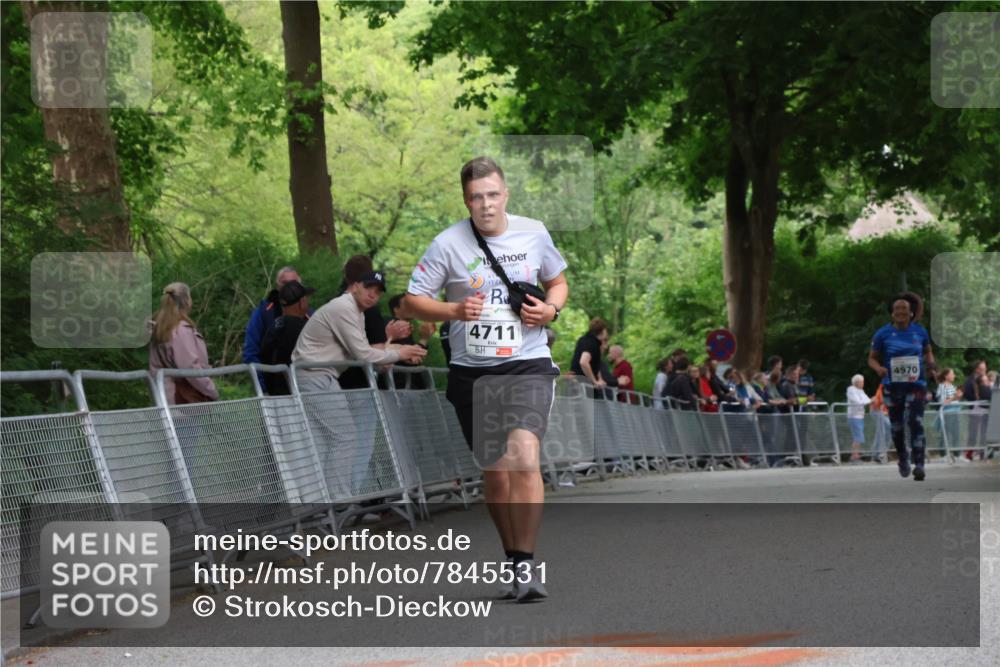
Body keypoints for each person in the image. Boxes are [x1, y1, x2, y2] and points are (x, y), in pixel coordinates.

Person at [401, 156, 568, 603]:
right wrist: (453, 310)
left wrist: (551, 310)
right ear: (466, 200)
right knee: (495, 472)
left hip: (528, 362)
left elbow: (558, 282)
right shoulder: (447, 244)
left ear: (506, 194)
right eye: (477, 197)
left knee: (524, 456)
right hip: (473, 371)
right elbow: (412, 302)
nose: (486, 205)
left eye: (493, 195)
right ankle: (512, 558)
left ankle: (527, 566)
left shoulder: (533, 232)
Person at [292, 270, 427, 496]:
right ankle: (337, 499)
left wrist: (397, 349)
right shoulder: (344, 308)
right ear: (354, 286)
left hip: (321, 375)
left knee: (337, 439)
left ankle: (331, 500)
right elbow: (364, 355)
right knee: (344, 437)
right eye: (368, 288)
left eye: (377, 292)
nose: (373, 295)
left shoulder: (355, 312)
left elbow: (364, 353)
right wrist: (398, 353)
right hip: (314, 375)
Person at [868, 291, 935, 481]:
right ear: (892, 313)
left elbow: (928, 353)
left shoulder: (920, 331)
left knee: (916, 421)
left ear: (911, 312)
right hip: (892, 385)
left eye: (904, 308)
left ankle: (920, 463)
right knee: (897, 427)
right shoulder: (882, 333)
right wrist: (879, 368)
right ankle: (903, 457)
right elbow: (871, 359)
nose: (900, 311)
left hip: (917, 384)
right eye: (897, 308)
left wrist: (931, 366)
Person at [338, 256, 413, 390]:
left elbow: (361, 347)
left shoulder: (335, 303)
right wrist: (400, 351)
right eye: (371, 288)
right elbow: (377, 359)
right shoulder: (367, 311)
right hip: (358, 385)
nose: (373, 296)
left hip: (335, 381)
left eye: (378, 292)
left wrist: (390, 341)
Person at [149, 282, 219, 405]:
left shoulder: (160, 329)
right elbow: (190, 368)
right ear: (187, 301)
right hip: (185, 402)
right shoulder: (181, 330)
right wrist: (211, 390)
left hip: (166, 399)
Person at [243, 266, 310, 366]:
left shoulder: (310, 314)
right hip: (271, 374)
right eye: (285, 283)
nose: (289, 288)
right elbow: (251, 352)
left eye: (294, 284)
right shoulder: (263, 313)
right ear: (277, 286)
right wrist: (261, 380)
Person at [258, 280, 315, 395]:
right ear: (302, 302)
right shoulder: (304, 329)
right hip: (296, 396)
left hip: (274, 394)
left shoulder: (273, 327)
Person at [387, 293, 435, 390]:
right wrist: (424, 338)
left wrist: (424, 338)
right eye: (406, 304)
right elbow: (412, 357)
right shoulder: (394, 326)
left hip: (408, 384)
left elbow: (415, 355)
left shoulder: (407, 328)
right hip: (400, 386)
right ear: (396, 309)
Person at [570, 318, 610, 396]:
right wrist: (594, 381)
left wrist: (600, 379)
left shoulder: (584, 340)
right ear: (602, 331)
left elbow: (595, 364)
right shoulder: (592, 343)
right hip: (583, 386)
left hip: (578, 383)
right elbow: (583, 362)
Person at [962, 360, 989, 460]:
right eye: (983, 368)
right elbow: (967, 394)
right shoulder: (970, 380)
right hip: (975, 410)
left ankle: (983, 453)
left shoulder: (986, 378)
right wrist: (977, 400)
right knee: (973, 433)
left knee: (984, 432)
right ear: (977, 369)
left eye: (985, 368)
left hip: (985, 411)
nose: (985, 370)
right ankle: (969, 453)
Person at [934, 368, 962, 457]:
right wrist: (955, 397)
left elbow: (953, 399)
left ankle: (957, 454)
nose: (954, 376)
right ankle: (944, 454)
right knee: (946, 434)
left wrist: (958, 397)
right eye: (952, 374)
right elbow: (942, 401)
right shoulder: (942, 386)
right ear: (946, 376)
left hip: (955, 413)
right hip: (947, 414)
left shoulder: (952, 386)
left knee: (956, 434)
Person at [846, 374, 871, 463]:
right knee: (858, 436)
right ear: (857, 382)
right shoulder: (851, 389)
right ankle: (854, 456)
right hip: (854, 416)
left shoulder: (861, 391)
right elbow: (858, 401)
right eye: (862, 382)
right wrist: (866, 401)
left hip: (860, 416)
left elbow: (867, 400)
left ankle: (856, 455)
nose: (863, 384)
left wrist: (868, 401)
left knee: (858, 437)